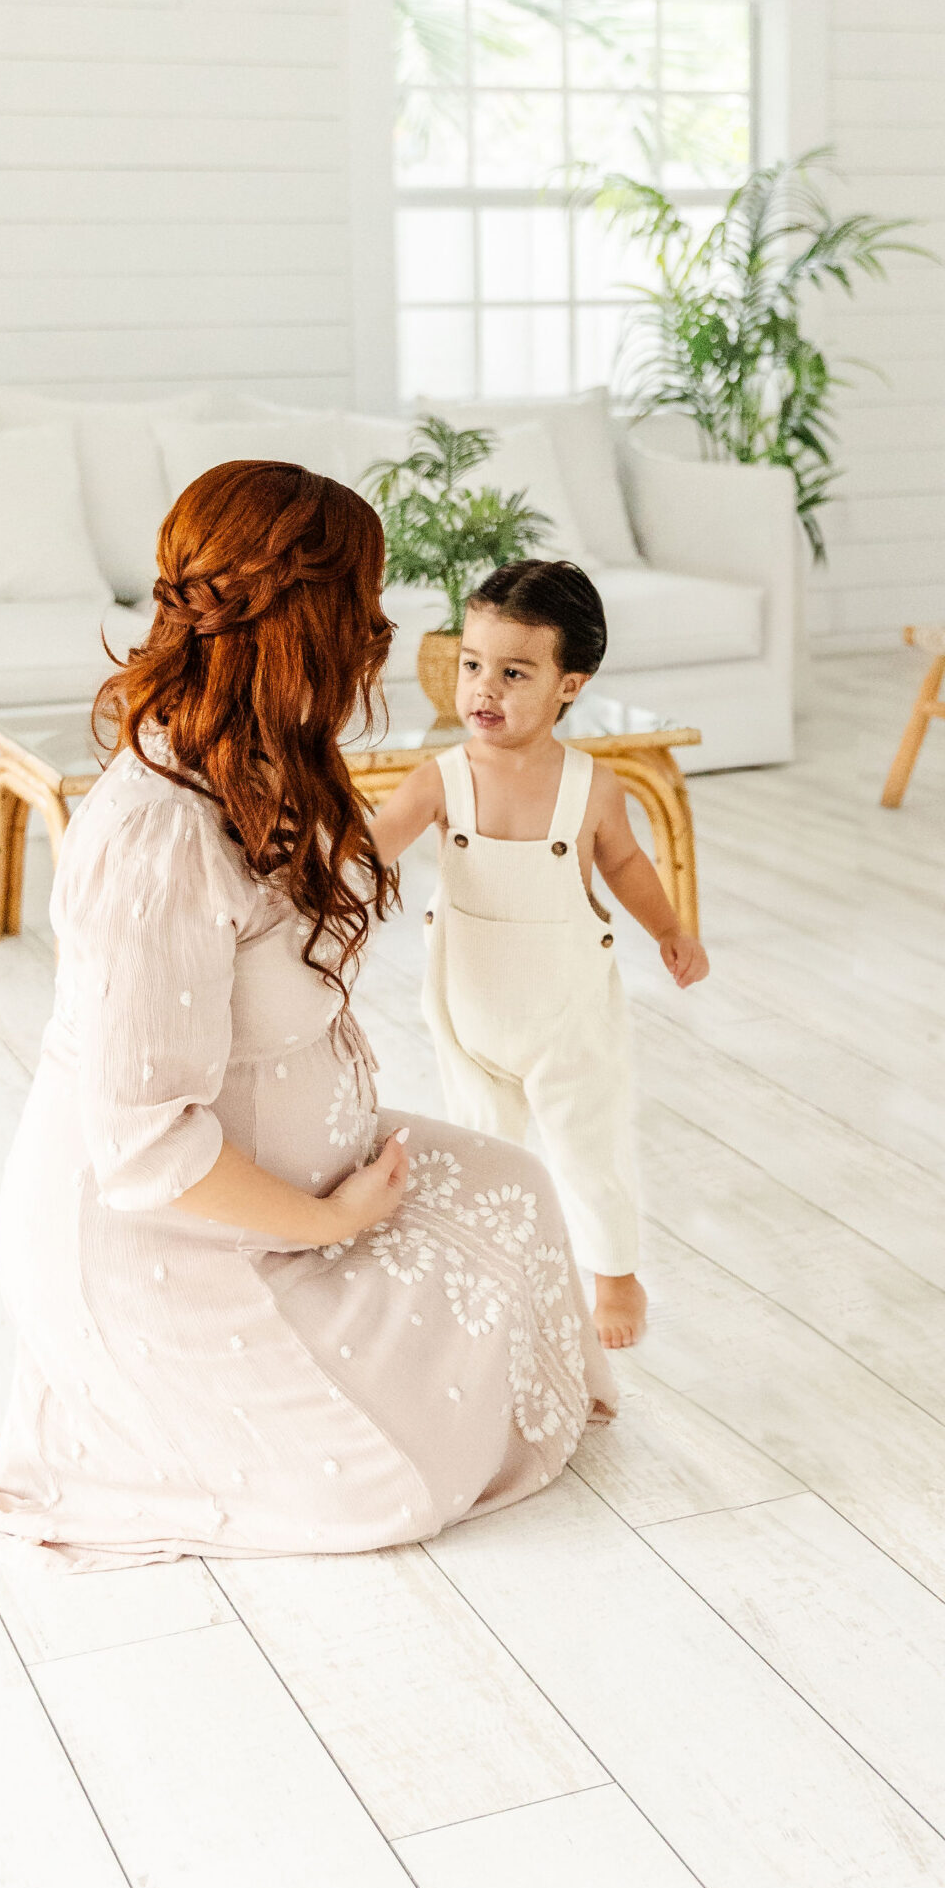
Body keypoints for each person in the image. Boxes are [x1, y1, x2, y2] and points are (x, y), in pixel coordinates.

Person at [0, 465, 615, 1570]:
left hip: (289, 1179)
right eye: (363, 604)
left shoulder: (270, 754)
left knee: (517, 1189)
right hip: (160, 1239)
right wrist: (329, 1222)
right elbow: (143, 1146)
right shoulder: (157, 837)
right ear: (302, 622)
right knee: (390, 1489)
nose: (380, 633)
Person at [370, 560, 709, 1352]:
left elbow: (625, 864)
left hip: (566, 1015)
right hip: (468, 1012)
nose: (483, 689)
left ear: (569, 685)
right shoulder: (440, 780)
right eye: (472, 665)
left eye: (514, 673)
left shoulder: (591, 787)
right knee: (478, 1146)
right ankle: (486, 1263)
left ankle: (615, 1273)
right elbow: (368, 851)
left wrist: (669, 928)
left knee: (589, 1147)